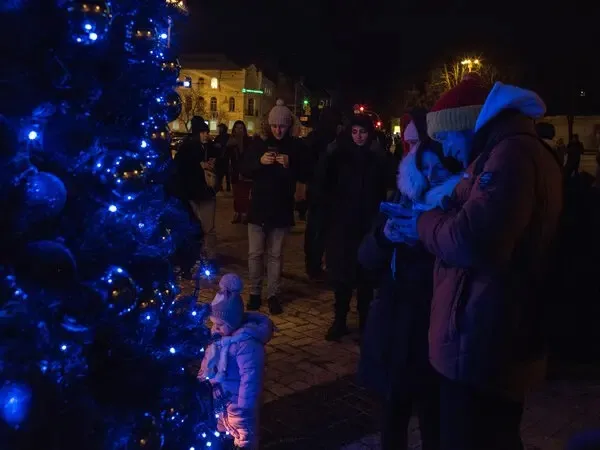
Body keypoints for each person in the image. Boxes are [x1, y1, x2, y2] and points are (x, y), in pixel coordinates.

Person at [387, 75, 563, 449]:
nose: (446, 150)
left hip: (483, 337)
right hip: (486, 332)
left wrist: (421, 223)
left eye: (447, 137)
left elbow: (471, 240)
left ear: (466, 124)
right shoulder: (499, 154)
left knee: (474, 436)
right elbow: (459, 211)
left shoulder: (509, 157)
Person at [357, 108, 463, 450]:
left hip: (432, 329)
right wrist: (386, 236)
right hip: (393, 327)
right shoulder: (400, 199)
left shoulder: (454, 211)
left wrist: (425, 239)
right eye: (425, 167)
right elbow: (366, 258)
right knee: (392, 415)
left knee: (434, 420)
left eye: (439, 169)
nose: (431, 176)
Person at [312, 114, 396, 341]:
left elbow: (387, 186)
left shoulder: (377, 158)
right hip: (342, 225)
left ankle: (365, 320)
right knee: (342, 275)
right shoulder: (338, 155)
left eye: (363, 132)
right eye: (355, 132)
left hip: (367, 223)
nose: (359, 137)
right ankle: (339, 319)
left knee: (365, 275)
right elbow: (323, 184)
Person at [240, 99, 310, 315]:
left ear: (289, 126)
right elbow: (244, 169)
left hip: (281, 209)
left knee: (276, 255)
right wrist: (260, 162)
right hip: (259, 207)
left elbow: (305, 173)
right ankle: (254, 293)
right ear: (268, 125)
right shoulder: (258, 144)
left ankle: (273, 294)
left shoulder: (296, 146)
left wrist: (290, 165)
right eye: (274, 126)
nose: (278, 130)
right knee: (255, 254)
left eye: (282, 126)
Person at [198, 273, 274, 450]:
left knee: (244, 431)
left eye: (221, 324)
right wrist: (201, 380)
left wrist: (244, 406)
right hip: (220, 396)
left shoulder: (246, 345)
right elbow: (207, 361)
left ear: (234, 321)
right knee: (223, 425)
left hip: (239, 402)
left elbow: (251, 377)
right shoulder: (218, 339)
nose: (216, 328)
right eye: (214, 323)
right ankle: (225, 441)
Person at [172, 116, 219, 269]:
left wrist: (212, 166)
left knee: (208, 227)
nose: (206, 135)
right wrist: (199, 166)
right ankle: (196, 254)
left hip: (206, 192)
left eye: (207, 132)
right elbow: (181, 169)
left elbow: (221, 164)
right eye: (203, 132)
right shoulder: (187, 148)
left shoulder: (210, 147)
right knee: (194, 226)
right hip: (192, 192)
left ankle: (209, 256)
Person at [304, 108, 343, 280]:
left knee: (317, 231)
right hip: (323, 192)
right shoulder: (329, 142)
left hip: (320, 192)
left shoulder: (318, 139)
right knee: (319, 232)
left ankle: (314, 264)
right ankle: (316, 265)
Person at [227, 121, 253, 224]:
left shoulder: (248, 141)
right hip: (235, 171)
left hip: (246, 171)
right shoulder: (231, 142)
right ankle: (237, 213)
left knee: (245, 194)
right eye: (237, 128)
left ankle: (245, 214)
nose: (239, 130)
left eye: (241, 128)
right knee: (236, 194)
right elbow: (227, 156)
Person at [214, 123, 231, 192]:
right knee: (223, 173)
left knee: (224, 173)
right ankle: (222, 186)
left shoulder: (225, 137)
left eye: (220, 128)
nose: (219, 129)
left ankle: (225, 186)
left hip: (224, 157)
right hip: (222, 157)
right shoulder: (220, 137)